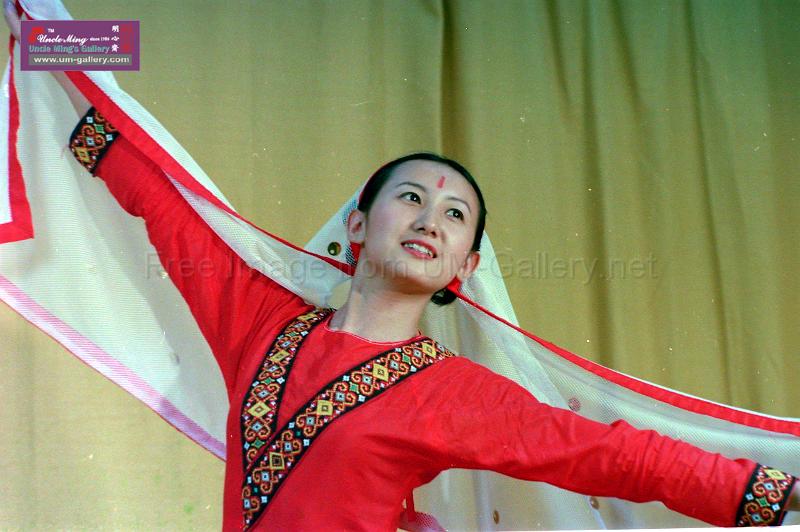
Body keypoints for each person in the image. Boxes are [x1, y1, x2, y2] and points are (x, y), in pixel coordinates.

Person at [4, 2, 799, 530]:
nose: (428, 219)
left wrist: (769, 491)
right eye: (411, 197)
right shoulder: (260, 322)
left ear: (465, 267)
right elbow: (159, 195)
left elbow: (608, 452)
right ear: (357, 224)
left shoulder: (453, 395)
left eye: (454, 216)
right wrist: (43, 38)